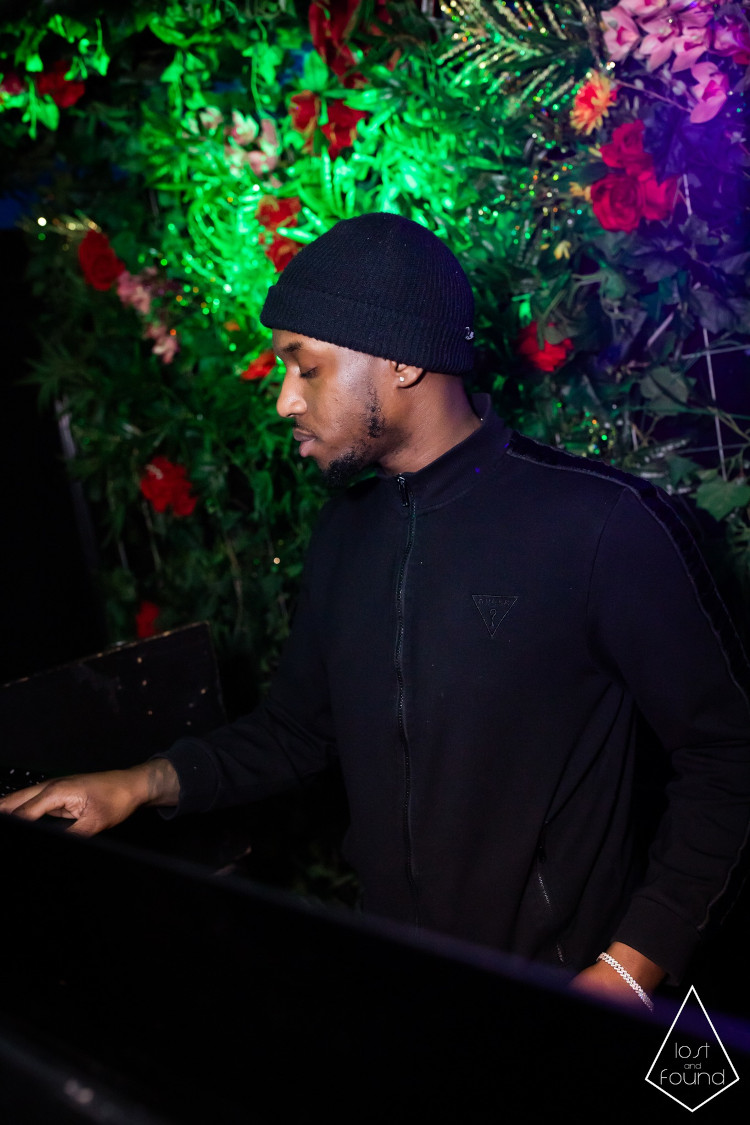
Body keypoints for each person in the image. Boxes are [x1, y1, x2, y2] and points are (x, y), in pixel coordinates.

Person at [2, 213, 749, 1012]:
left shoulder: (601, 525)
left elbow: (730, 756)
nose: (285, 400)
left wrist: (628, 974)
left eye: (306, 366)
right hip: (399, 993)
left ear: (400, 357)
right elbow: (296, 730)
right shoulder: (347, 530)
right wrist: (137, 782)